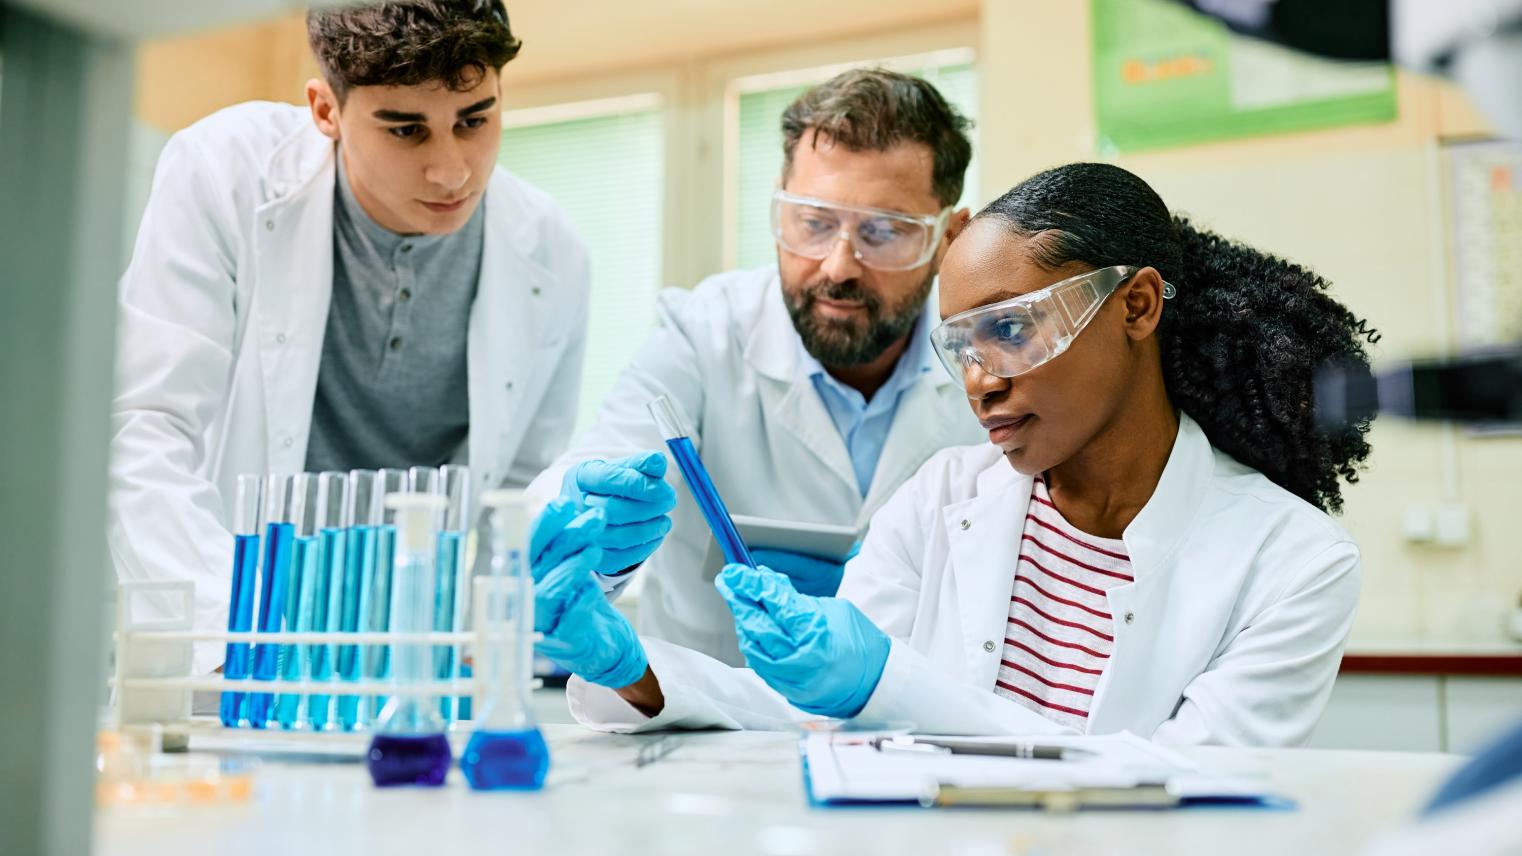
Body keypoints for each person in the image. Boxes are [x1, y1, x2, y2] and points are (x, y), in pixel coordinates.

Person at [531, 162, 1380, 745]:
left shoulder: (1295, 563)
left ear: (1138, 306)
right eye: (960, 345)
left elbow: (1189, 792)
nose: (979, 381)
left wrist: (887, 687)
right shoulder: (941, 497)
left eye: (1009, 329)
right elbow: (820, 720)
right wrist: (636, 672)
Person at [109, 0, 590, 673]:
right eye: (406, 130)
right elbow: (142, 428)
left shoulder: (552, 249)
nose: (452, 170)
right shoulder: (224, 172)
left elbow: (518, 486)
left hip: (414, 660)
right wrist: (240, 639)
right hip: (229, 637)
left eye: (474, 120)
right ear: (325, 111)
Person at [524, 68, 985, 665]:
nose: (838, 266)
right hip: (710, 725)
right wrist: (578, 516)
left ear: (949, 237)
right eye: (814, 223)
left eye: (884, 231)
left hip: (912, 729)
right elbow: (600, 461)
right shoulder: (701, 332)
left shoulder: (993, 364)